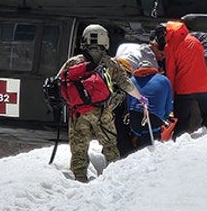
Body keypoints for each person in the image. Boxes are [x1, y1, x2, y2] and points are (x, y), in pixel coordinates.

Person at [57, 24, 148, 182]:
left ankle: (79, 179)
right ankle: (113, 180)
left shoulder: (73, 62)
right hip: (102, 113)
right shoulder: (110, 64)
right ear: (105, 40)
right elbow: (126, 84)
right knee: (110, 146)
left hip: (78, 113)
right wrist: (140, 98)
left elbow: (59, 83)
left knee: (79, 150)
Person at [151, 20, 207, 137]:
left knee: (181, 121)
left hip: (185, 88)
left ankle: (178, 145)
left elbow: (171, 72)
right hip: (205, 85)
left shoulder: (170, 46)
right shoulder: (195, 41)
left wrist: (170, 95)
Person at [119, 57, 174, 151]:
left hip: (136, 120)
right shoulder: (164, 80)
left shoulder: (131, 81)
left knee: (140, 134)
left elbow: (128, 106)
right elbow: (169, 105)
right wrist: (163, 118)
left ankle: (136, 140)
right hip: (155, 120)